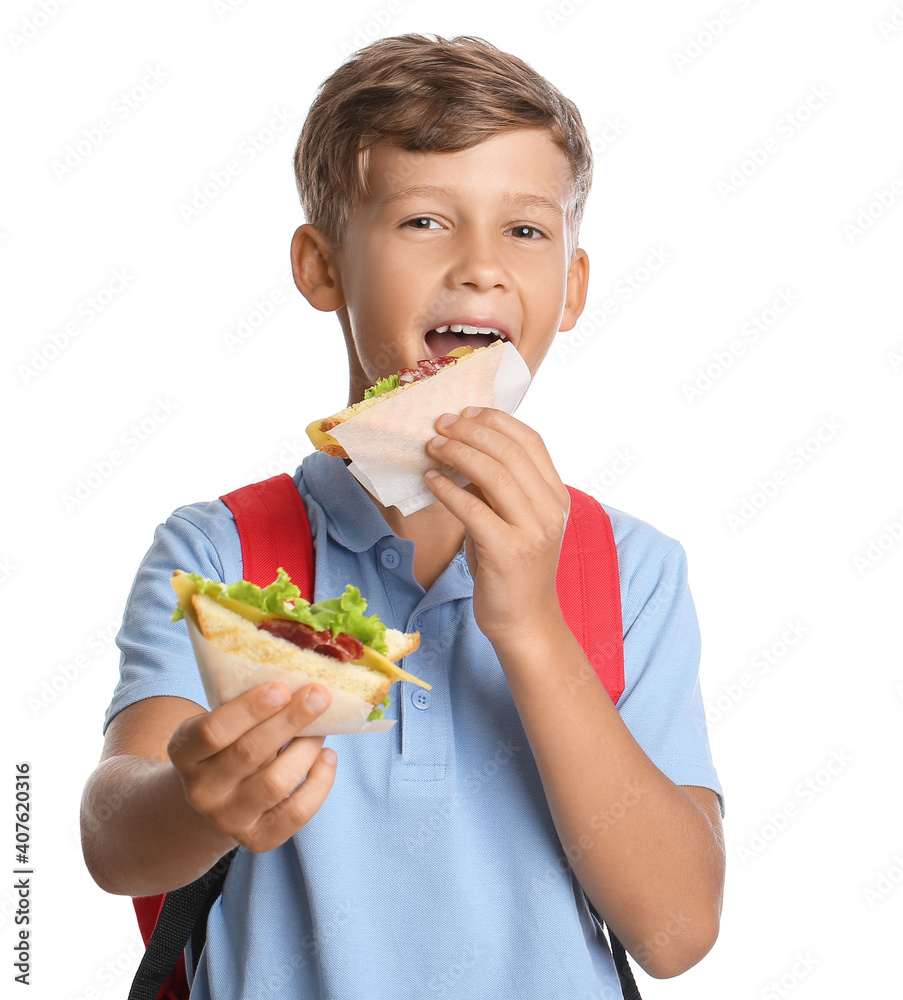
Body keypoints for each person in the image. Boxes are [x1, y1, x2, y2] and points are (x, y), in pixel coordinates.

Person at [81, 33, 725, 1000]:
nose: (480, 267)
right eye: (424, 221)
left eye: (525, 230)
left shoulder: (630, 567)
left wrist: (530, 623)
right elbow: (114, 841)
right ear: (321, 267)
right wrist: (198, 799)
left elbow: (675, 933)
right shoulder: (221, 547)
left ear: (574, 286)